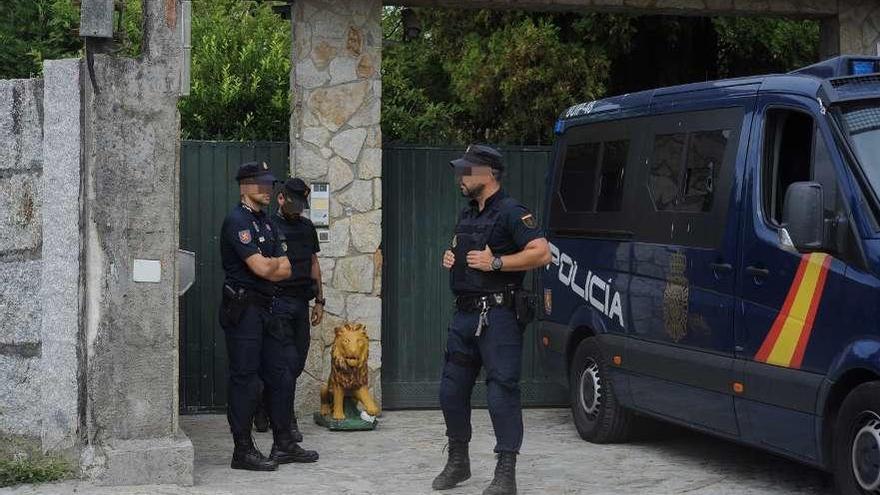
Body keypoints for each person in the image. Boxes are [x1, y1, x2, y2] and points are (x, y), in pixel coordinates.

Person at [433, 145, 551, 495]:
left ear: (488, 174)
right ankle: (458, 462)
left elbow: (542, 253)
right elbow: (463, 250)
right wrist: (451, 257)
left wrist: (496, 263)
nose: (461, 177)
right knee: (450, 391)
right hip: (465, 316)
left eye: (467, 171)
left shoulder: (513, 212)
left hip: (499, 316)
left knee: (501, 392)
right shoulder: (468, 214)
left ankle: (505, 472)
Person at [218, 161, 315, 471]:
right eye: (262, 183)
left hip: (269, 308)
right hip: (244, 311)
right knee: (245, 380)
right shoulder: (237, 221)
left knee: (283, 374)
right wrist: (269, 267)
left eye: (270, 184)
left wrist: (269, 266)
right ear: (245, 186)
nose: (269, 189)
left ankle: (284, 442)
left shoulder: (268, 224)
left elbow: (285, 268)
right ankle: (242, 450)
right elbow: (262, 268)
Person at [266, 177, 325, 447]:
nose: (300, 209)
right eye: (295, 202)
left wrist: (320, 301)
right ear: (281, 199)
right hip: (278, 303)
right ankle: (287, 419)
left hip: (301, 304)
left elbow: (314, 263)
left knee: (297, 363)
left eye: (303, 204)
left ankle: (268, 408)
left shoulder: (306, 227)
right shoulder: (268, 226)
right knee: (286, 366)